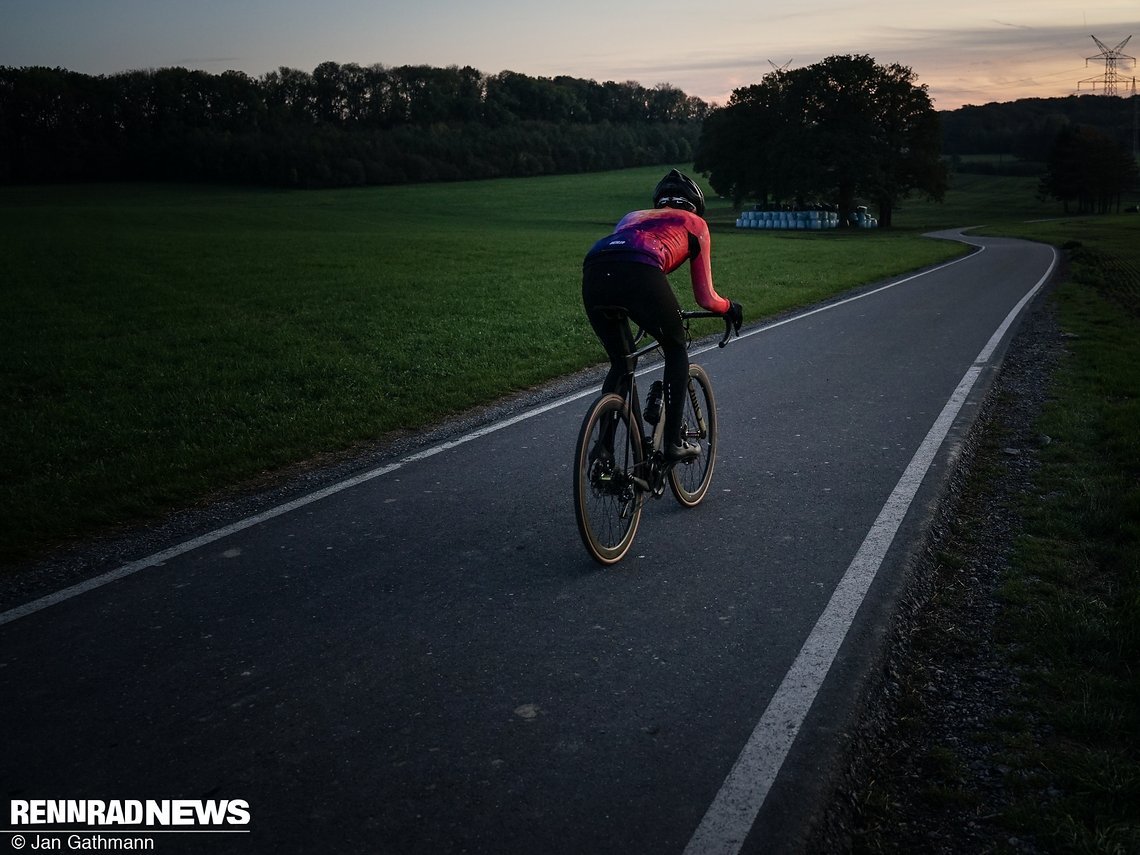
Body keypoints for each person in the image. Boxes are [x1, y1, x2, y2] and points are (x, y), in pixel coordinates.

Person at [582, 169, 743, 461]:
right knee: (675, 347)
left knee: (622, 362)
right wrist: (729, 307)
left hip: (594, 269)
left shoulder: (632, 217)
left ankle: (604, 446)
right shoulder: (696, 223)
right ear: (695, 206)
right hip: (640, 270)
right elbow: (705, 297)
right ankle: (671, 445)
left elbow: (624, 254)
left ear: (658, 203)